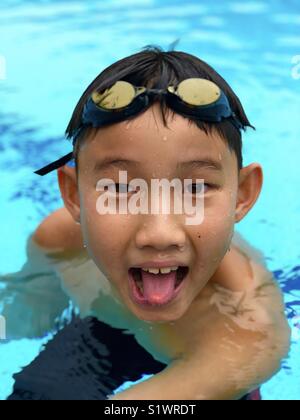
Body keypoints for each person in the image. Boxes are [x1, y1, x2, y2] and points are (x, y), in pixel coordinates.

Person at [3, 46, 291, 400]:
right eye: (121, 189)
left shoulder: (247, 331)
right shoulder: (58, 241)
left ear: (243, 195)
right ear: (74, 195)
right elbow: (27, 317)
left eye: (196, 188)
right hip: (108, 330)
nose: (159, 234)